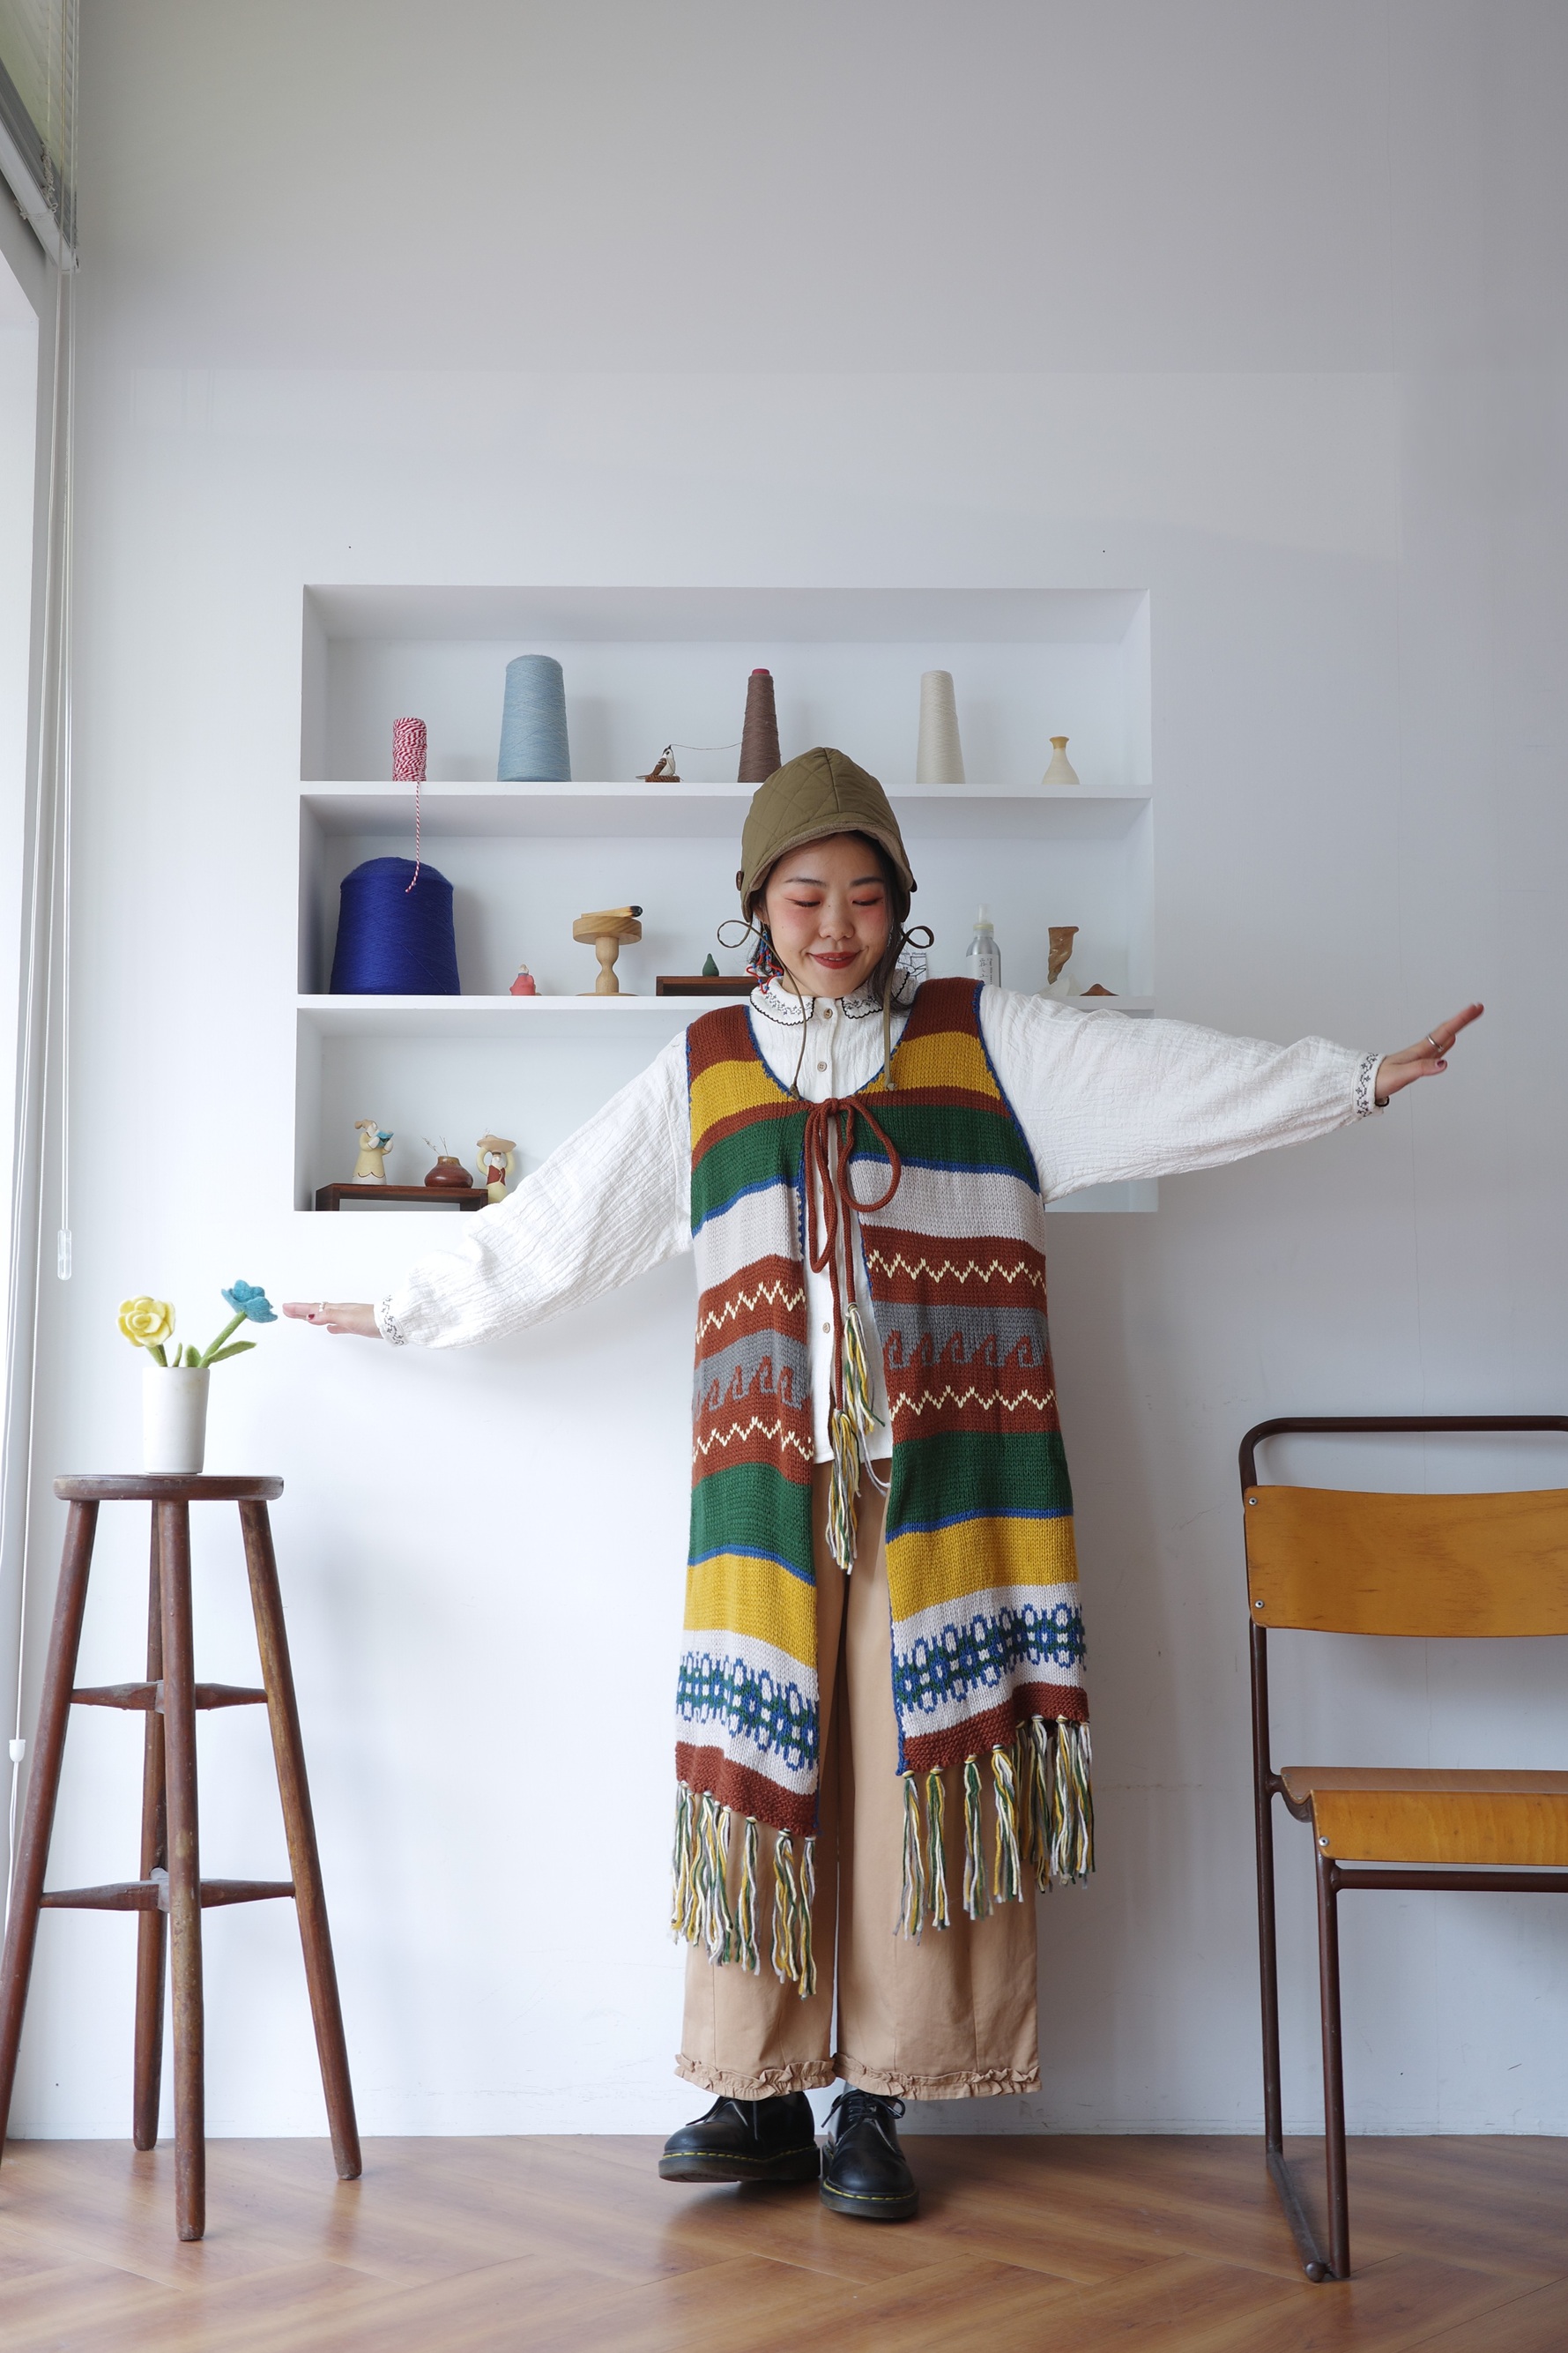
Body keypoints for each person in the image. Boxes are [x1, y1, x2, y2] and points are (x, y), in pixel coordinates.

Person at [286, 747, 1481, 2223]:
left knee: (929, 1763)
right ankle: (757, 2090)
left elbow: (1170, 1075)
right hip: (766, 1483)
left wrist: (1353, 1080)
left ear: (901, 901)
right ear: (758, 906)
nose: (835, 923)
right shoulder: (705, 1064)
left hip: (953, 1482)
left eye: (863, 894)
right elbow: (564, 1218)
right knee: (758, 1756)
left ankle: (885, 2094)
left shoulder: (990, 1039)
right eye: (805, 895)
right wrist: (403, 1307)